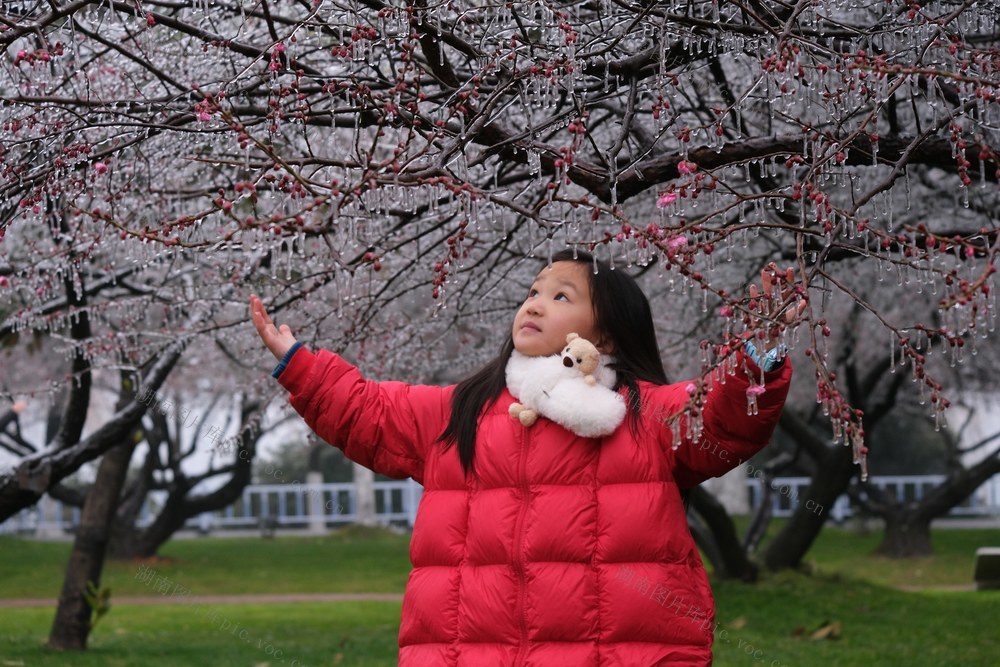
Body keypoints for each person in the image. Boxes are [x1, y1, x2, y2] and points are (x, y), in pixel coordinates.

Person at [250, 250, 801, 666]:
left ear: (605, 331)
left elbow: (723, 420)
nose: (534, 302)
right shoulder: (458, 412)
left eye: (562, 296)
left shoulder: (645, 414)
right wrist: (302, 366)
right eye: (534, 291)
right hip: (470, 650)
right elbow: (367, 411)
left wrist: (756, 362)